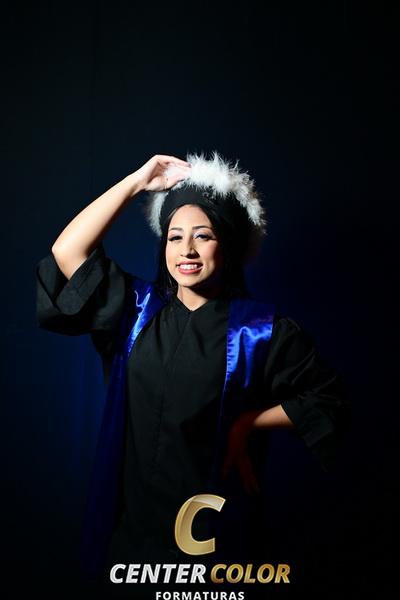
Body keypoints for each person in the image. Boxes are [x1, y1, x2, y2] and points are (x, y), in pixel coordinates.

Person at [36, 152, 349, 598]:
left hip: (212, 543)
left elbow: (329, 400)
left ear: (229, 245)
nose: (186, 251)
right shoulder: (134, 312)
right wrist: (135, 182)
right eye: (174, 237)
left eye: (203, 236)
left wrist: (250, 422)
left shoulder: (260, 331)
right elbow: (68, 251)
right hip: (133, 541)